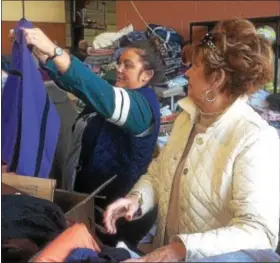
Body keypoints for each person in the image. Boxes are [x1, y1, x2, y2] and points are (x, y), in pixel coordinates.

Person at [103, 19, 280, 262]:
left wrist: (182, 249)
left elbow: (258, 231)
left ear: (216, 79)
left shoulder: (255, 139)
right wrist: (136, 199)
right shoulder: (188, 118)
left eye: (195, 66)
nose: (186, 73)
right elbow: (158, 173)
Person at [22, 27, 164, 244]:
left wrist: (54, 50)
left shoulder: (141, 108)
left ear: (146, 75)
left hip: (118, 217)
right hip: (94, 204)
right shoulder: (119, 93)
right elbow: (80, 86)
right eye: (119, 62)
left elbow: (98, 92)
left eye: (128, 65)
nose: (118, 69)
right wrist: (41, 53)